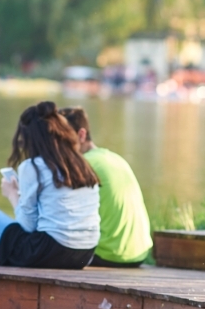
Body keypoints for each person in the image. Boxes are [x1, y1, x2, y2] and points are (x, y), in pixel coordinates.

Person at [0, 102, 100, 309]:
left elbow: (27, 226)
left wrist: (14, 194)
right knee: (18, 237)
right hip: (84, 253)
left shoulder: (32, 166)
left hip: (50, 250)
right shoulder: (82, 164)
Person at [60, 106, 152, 267]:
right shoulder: (114, 158)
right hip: (138, 254)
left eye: (62, 139)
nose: (57, 147)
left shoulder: (84, 166)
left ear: (81, 135)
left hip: (107, 255)